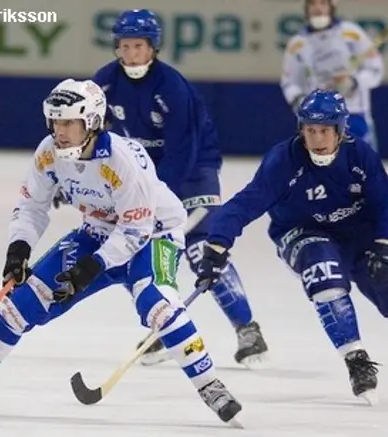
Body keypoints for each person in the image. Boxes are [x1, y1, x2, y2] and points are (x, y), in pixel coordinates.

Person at [0, 79, 242, 424]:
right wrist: (19, 247)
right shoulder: (48, 153)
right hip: (97, 232)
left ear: (90, 122)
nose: (59, 131)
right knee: (20, 305)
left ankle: (209, 384)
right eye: (55, 122)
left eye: (68, 123)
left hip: (153, 235)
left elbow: (136, 229)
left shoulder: (123, 160)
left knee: (159, 305)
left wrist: (95, 265)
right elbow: (32, 206)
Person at [196, 89, 388, 404]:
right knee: (323, 271)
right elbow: (244, 204)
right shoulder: (283, 160)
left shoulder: (361, 155)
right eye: (310, 130)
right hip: (301, 232)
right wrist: (216, 245)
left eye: (324, 131)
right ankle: (356, 359)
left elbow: (387, 206)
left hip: (361, 235)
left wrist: (387, 247)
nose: (316, 139)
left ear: (340, 130)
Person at [85, 9, 269, 368]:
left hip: (194, 172)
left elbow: (182, 149)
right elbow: (93, 137)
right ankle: (163, 323)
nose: (131, 54)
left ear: (152, 48)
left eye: (138, 46)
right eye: (124, 46)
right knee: (136, 250)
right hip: (144, 172)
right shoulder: (104, 83)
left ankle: (248, 328)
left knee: (201, 249)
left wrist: (153, 194)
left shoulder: (172, 87)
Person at [280, 0, 383, 149]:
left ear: (332, 6)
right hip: (318, 123)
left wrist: (353, 82)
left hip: (354, 115)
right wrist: (305, 105)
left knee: (363, 169)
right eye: (313, 4)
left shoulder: (352, 34)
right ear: (306, 8)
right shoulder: (297, 44)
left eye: (323, 3)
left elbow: (375, 69)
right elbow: (289, 83)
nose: (318, 8)